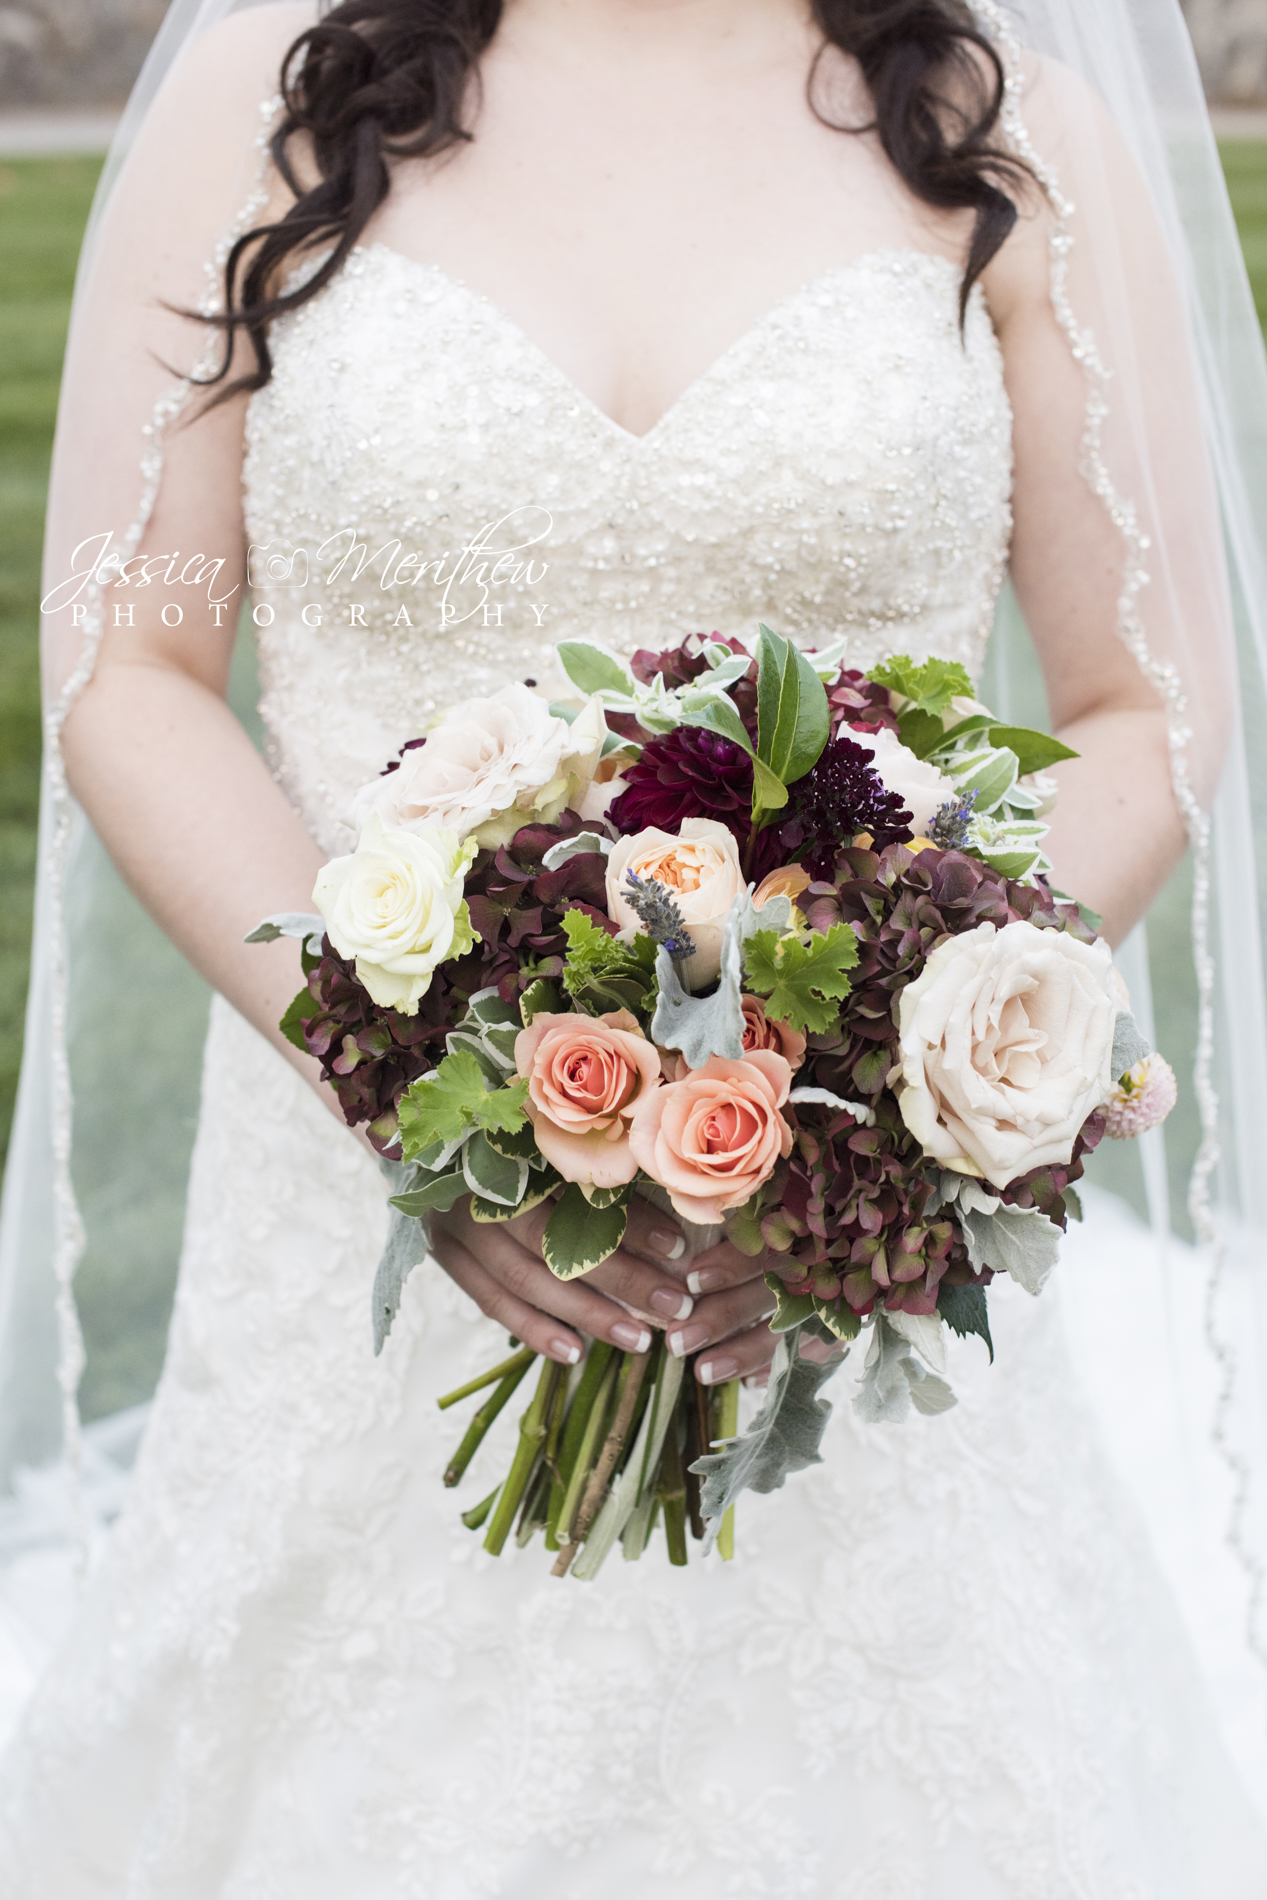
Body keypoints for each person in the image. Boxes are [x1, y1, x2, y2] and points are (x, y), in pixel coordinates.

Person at [1, 0, 1264, 1891]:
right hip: (354, 1215)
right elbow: (133, 658)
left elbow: (1148, 700)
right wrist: (403, 1083)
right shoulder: (267, 112)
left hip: (834, 1266)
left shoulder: (1014, 143)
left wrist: (870, 1126)